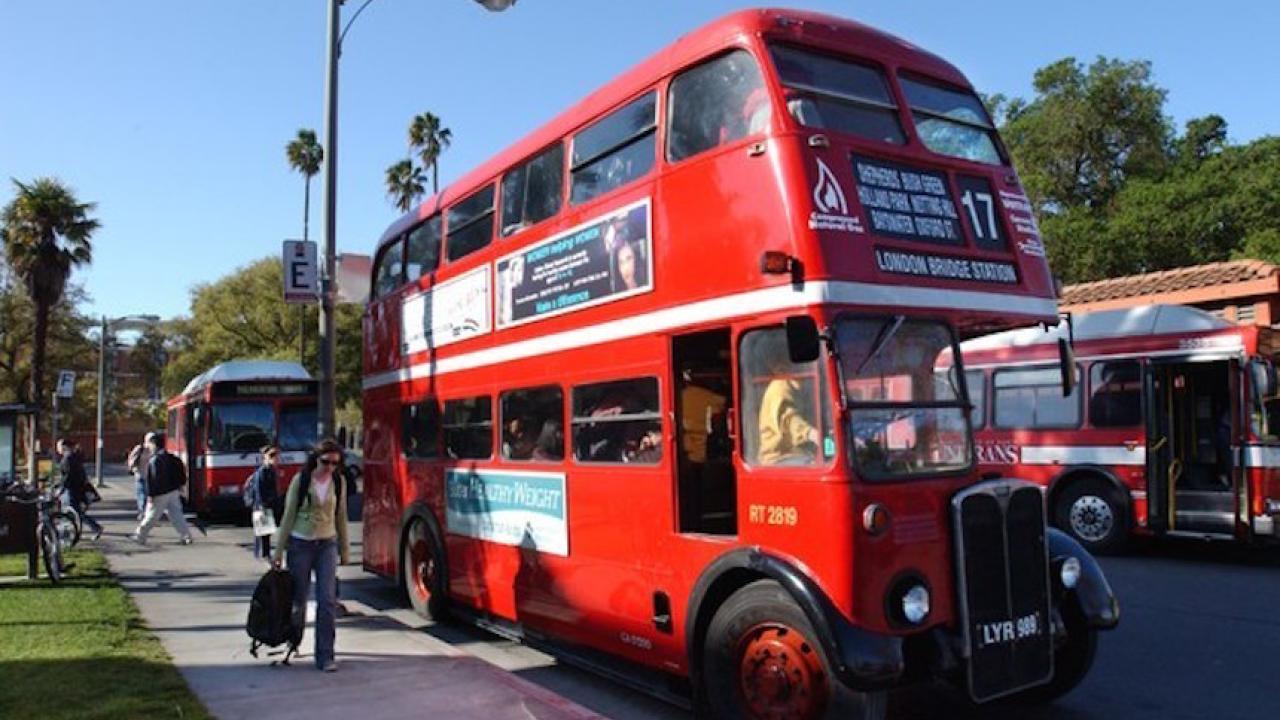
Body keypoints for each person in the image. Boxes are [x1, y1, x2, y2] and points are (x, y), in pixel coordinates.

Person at [272, 438, 350, 672]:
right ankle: (293, 641)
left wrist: (344, 549)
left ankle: (325, 656)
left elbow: (341, 515)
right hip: (301, 544)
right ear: (315, 459)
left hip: (327, 543)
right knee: (299, 600)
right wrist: (278, 550)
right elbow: (288, 515)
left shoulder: (339, 482)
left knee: (327, 600)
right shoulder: (302, 480)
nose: (330, 467)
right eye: (326, 462)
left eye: (335, 463)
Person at [132, 432, 193, 545]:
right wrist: (180, 485)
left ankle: (140, 536)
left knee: (151, 516)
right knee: (177, 515)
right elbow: (181, 472)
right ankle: (186, 536)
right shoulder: (172, 458)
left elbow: (154, 479)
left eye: (150, 445)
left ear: (154, 445)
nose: (149, 447)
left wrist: (151, 494)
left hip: (160, 493)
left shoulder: (154, 460)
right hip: (173, 491)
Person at [57, 438, 103, 541]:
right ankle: (77, 532)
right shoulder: (73, 457)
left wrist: (60, 488)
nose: (57, 449)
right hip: (77, 488)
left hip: (72, 489)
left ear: (64, 447)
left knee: (74, 512)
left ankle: (95, 527)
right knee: (74, 512)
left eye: (59, 446)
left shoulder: (68, 458)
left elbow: (67, 476)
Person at [245, 444, 283, 560]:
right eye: (272, 455)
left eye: (276, 456)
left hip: (268, 504)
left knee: (265, 530)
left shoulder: (271, 470)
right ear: (265, 457)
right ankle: (263, 554)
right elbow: (259, 490)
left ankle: (263, 553)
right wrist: (263, 505)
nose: (275, 458)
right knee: (263, 531)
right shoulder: (262, 471)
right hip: (262, 505)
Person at [127, 433, 155, 520]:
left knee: (146, 495)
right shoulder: (141, 448)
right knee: (142, 494)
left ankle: (144, 512)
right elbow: (132, 458)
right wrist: (133, 468)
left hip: (149, 476)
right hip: (140, 475)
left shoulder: (153, 449)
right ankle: (143, 512)